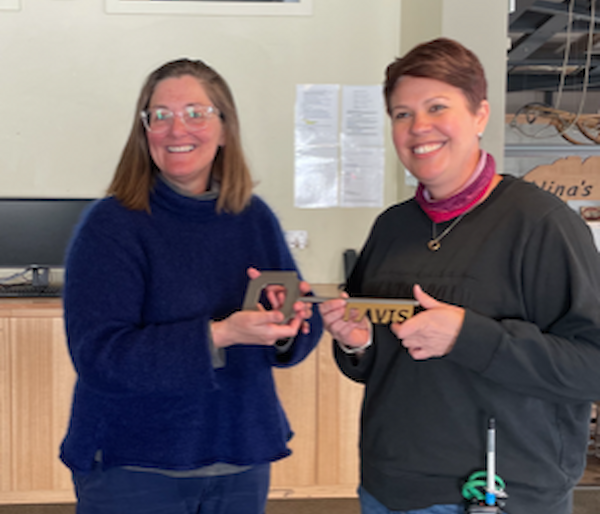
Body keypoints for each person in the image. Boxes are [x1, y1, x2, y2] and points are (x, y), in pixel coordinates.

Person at [319, 38, 600, 514]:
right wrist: (357, 343)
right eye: (402, 114)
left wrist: (469, 336)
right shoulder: (392, 227)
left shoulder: (541, 225)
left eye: (436, 107)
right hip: (387, 489)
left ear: (480, 115)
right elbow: (376, 364)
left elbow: (591, 366)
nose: (418, 127)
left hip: (495, 495)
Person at [60, 58, 322, 514]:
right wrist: (221, 334)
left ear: (224, 128)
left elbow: (296, 329)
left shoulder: (253, 217)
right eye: (160, 116)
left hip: (240, 455)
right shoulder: (111, 226)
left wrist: (290, 321)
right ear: (145, 132)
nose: (177, 129)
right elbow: (100, 357)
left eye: (195, 113)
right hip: (135, 466)